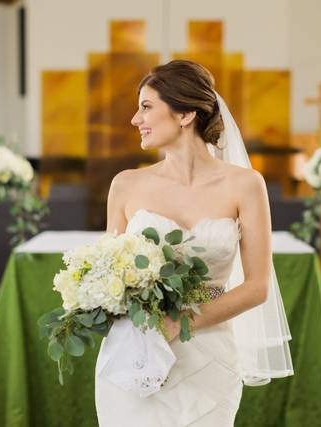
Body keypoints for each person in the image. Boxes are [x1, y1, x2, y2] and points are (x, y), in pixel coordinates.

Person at [95, 59, 292, 426]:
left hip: (211, 353)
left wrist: (182, 320)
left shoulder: (246, 185)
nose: (135, 119)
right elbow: (110, 272)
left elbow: (257, 287)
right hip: (139, 349)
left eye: (146, 107)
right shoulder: (126, 185)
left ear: (184, 114)